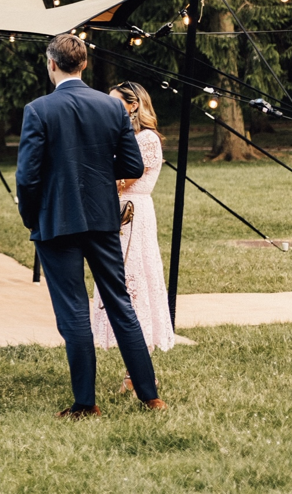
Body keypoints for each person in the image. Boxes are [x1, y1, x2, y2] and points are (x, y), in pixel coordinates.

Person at [16, 33, 164, 416]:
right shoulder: (112, 107)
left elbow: (27, 177)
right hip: (102, 219)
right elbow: (131, 165)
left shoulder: (38, 110)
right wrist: (97, 173)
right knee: (120, 303)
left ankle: (85, 403)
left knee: (73, 311)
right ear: (84, 64)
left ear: (51, 64)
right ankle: (150, 395)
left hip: (56, 221)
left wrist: (32, 217)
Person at [90, 80, 176, 387]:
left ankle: (138, 370)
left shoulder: (147, 139)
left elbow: (123, 179)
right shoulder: (123, 136)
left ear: (133, 105)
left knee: (135, 281)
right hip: (117, 212)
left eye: (116, 102)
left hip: (132, 214)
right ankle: (134, 368)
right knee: (120, 281)